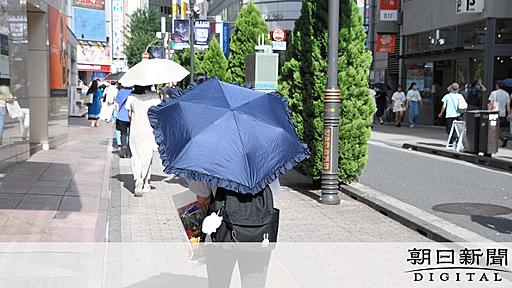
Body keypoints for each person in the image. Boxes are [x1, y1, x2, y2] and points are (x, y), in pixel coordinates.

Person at [189, 180, 280, 288]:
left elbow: (202, 198)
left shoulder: (212, 164)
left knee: (218, 283)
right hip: (259, 234)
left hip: (222, 235)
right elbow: (274, 190)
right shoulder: (265, 164)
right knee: (254, 283)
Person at [125, 85, 161, 196]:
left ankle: (138, 179)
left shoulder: (132, 96)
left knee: (136, 156)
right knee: (148, 156)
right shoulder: (155, 96)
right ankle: (146, 183)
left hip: (135, 130)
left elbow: (129, 115)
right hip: (149, 130)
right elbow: (158, 113)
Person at [488, 81, 510, 147]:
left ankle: (502, 138)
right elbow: (508, 105)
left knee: (493, 127)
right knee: (497, 126)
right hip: (502, 113)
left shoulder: (494, 93)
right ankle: (502, 139)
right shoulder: (506, 94)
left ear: (497, 85)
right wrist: (508, 114)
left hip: (494, 112)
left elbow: (491, 103)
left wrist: (488, 111)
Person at [115, 84, 132, 158]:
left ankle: (123, 148)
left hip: (121, 116)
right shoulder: (133, 92)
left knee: (123, 133)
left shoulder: (120, 91)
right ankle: (129, 151)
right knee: (131, 134)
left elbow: (117, 104)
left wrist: (117, 112)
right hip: (131, 116)